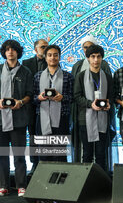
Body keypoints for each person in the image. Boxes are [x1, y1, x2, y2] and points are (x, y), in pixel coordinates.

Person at [71, 35, 111, 163]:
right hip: (85, 119)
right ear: (88, 58)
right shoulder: (80, 76)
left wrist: (109, 103)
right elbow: (76, 96)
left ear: (102, 58)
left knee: (101, 154)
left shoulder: (107, 76)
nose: (96, 60)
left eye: (98, 56)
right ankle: (87, 183)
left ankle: (102, 182)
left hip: (103, 118)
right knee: (87, 154)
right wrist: (90, 104)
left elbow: (111, 95)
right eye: (92, 57)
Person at [0, 40, 33, 197]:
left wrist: (20, 102)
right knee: (2, 154)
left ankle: (21, 185)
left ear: (18, 52)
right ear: (4, 52)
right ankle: (3, 185)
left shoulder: (25, 71)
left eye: (13, 49)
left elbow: (30, 95)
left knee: (19, 154)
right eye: (7, 50)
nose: (10, 52)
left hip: (19, 119)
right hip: (1, 119)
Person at [33, 45, 74, 162]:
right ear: (45, 58)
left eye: (55, 55)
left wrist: (62, 97)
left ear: (60, 57)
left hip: (62, 119)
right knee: (44, 154)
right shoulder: (38, 76)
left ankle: (61, 180)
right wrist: (39, 98)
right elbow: (33, 98)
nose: (53, 58)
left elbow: (72, 98)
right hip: (42, 118)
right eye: (49, 55)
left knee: (60, 153)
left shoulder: (68, 76)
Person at [23, 39, 48, 175]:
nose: (45, 49)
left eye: (47, 47)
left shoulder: (51, 61)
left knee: (46, 137)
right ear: (35, 49)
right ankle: (34, 163)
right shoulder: (26, 63)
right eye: (43, 47)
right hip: (32, 105)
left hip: (47, 106)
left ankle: (46, 163)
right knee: (33, 136)